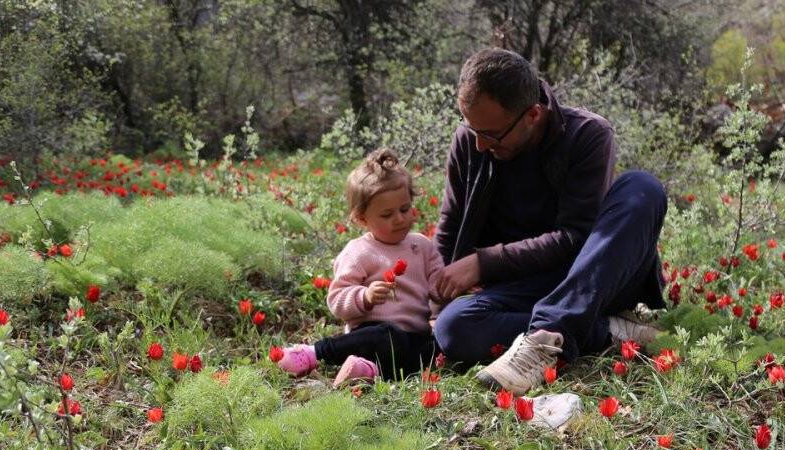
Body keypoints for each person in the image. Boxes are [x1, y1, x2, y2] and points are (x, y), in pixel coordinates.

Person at [432, 48, 668, 396]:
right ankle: (607, 331)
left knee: (642, 187)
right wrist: (433, 308)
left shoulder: (588, 134)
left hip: (589, 276)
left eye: (492, 134)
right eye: (472, 128)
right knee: (454, 327)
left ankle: (544, 339)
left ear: (533, 115)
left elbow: (574, 238)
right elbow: (451, 223)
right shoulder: (471, 140)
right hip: (520, 286)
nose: (479, 144)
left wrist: (483, 263)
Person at [278, 148, 443, 386]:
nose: (399, 219)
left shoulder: (422, 246)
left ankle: (366, 370)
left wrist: (449, 287)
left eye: (405, 209)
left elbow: (437, 284)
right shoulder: (359, 251)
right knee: (386, 336)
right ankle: (315, 353)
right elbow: (337, 300)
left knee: (431, 351)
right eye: (387, 214)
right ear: (362, 219)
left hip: (414, 335)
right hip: (372, 332)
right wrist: (364, 295)